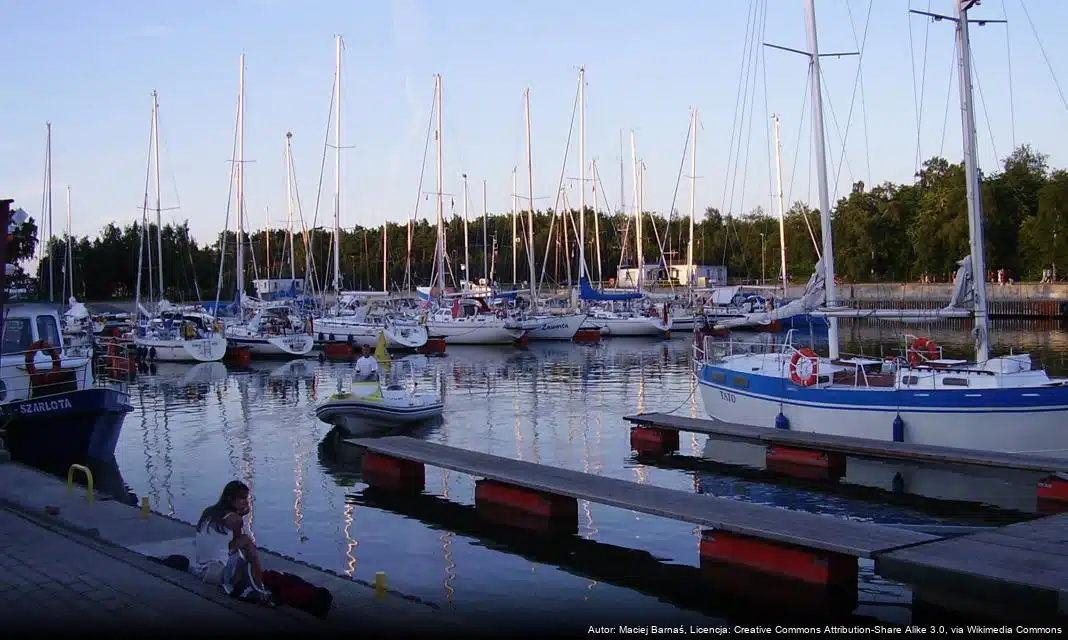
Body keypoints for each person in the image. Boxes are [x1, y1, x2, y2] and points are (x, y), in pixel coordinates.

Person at [192, 480, 272, 603]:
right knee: (247, 542)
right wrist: (241, 516)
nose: (246, 502)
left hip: (198, 566)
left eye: (247, 498)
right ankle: (259, 584)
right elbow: (236, 545)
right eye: (242, 498)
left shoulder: (209, 511)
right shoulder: (235, 520)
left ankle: (258, 579)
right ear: (230, 498)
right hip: (216, 572)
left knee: (242, 543)